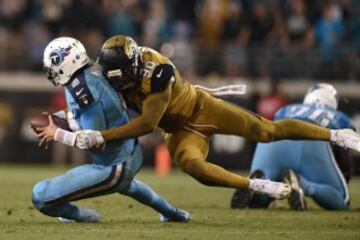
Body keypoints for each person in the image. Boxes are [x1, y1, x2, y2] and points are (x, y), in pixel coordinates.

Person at [39, 35, 360, 200]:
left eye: (121, 77)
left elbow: (147, 124)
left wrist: (102, 137)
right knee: (194, 168)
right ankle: (258, 185)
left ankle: (336, 136)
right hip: (178, 131)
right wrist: (70, 117)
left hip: (200, 108)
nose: (119, 83)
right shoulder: (112, 74)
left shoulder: (157, 70)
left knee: (266, 131)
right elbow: (105, 104)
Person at [33, 37, 190, 223]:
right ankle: (172, 212)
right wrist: (59, 118)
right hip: (129, 153)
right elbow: (85, 113)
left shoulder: (81, 88)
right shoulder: (91, 74)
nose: (50, 70)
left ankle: (81, 216)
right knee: (129, 186)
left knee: (40, 196)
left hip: (114, 167)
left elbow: (95, 142)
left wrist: (57, 133)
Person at [231, 83, 354, 210]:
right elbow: (344, 163)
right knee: (341, 202)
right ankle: (302, 185)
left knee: (263, 193)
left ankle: (258, 183)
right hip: (310, 139)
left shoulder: (286, 109)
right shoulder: (340, 118)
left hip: (274, 136)